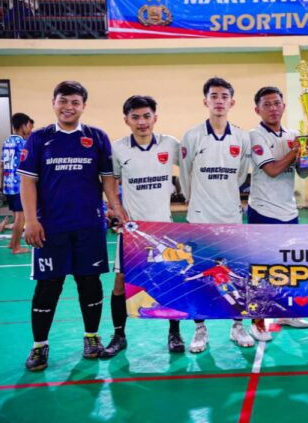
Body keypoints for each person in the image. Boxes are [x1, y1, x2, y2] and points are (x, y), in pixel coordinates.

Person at [19, 81, 124, 371]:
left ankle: (91, 337)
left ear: (83, 106)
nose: (69, 107)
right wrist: (30, 220)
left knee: (89, 283)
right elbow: (27, 182)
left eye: (75, 102)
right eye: (63, 101)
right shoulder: (39, 138)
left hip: (89, 226)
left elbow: (108, 179)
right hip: (50, 228)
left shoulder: (97, 137)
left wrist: (116, 209)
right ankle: (39, 345)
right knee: (48, 286)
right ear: (54, 103)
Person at [100, 95, 184, 358]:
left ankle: (174, 333)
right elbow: (110, 181)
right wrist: (116, 208)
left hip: (164, 228)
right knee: (120, 282)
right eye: (135, 117)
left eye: (147, 116)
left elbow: (192, 167)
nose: (142, 122)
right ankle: (119, 335)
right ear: (126, 120)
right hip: (132, 230)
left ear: (155, 118)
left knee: (169, 279)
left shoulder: (170, 144)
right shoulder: (118, 149)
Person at [179, 77, 253, 353]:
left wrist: (226, 196)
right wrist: (194, 201)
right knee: (200, 274)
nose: (219, 101)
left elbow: (241, 175)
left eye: (224, 96)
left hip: (231, 216)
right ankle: (200, 329)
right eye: (214, 96)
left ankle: (238, 325)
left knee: (235, 274)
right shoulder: (192, 136)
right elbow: (184, 174)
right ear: (205, 101)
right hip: (200, 217)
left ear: (232, 102)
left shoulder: (242, 137)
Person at [248, 86, 308, 339]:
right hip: (263, 211)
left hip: (289, 211)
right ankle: (257, 320)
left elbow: (303, 173)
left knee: (288, 267)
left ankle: (286, 312)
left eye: (277, 103)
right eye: (267, 104)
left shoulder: (294, 135)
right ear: (257, 109)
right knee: (261, 270)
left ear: (283, 106)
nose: (273, 108)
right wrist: (295, 152)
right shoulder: (255, 135)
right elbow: (272, 170)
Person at [0, 113, 34, 254]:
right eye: (29, 126)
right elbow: (28, 165)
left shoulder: (7, 141)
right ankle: (16, 247)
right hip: (19, 185)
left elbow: (2, 165)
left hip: (8, 184)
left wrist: (1, 185)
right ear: (23, 125)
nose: (30, 129)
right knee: (21, 217)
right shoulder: (23, 143)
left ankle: (12, 242)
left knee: (16, 215)